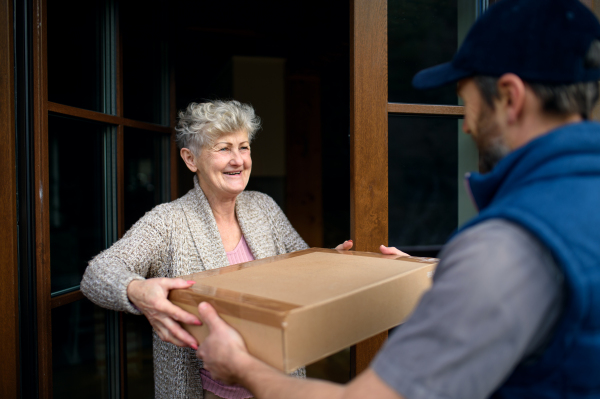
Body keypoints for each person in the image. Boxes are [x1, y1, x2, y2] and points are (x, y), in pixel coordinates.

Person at [193, 0, 600, 398]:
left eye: (468, 103)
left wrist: (241, 366)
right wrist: (442, 275)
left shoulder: (505, 246)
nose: (466, 128)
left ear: (510, 97)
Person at [81, 100, 368, 399]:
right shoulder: (168, 221)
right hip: (208, 391)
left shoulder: (263, 206)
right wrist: (136, 289)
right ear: (191, 159)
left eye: (243, 147)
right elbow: (98, 272)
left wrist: (333, 262)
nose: (238, 160)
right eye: (223, 148)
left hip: (277, 384)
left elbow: (302, 265)